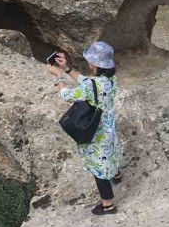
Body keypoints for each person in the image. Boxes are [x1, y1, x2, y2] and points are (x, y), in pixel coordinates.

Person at [46, 41, 122, 215]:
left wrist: (58, 75)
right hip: (108, 126)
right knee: (111, 150)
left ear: (93, 64)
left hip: (96, 132)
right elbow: (89, 82)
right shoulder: (110, 79)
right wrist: (67, 68)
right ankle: (116, 174)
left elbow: (67, 95)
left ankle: (108, 205)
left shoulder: (92, 85)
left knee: (98, 166)